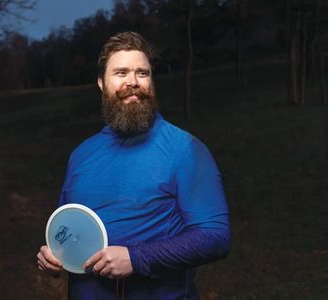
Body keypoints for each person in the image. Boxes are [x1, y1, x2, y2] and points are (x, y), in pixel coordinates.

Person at [36, 31, 230, 299]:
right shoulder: (81, 156)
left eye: (142, 73)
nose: (133, 82)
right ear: (102, 84)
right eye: (121, 73)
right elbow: (67, 230)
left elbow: (215, 237)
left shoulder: (184, 149)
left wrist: (136, 258)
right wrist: (54, 255)